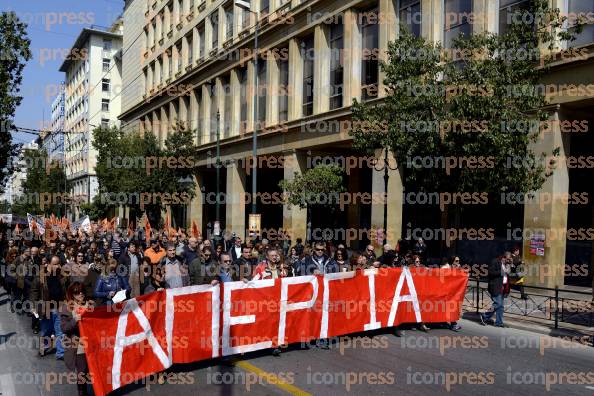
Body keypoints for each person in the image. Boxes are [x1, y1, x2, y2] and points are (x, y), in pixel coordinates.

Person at [30, 255, 66, 360]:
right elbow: (34, 291)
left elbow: (65, 290)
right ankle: (43, 348)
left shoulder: (61, 276)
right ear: (48, 264)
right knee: (46, 331)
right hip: (46, 308)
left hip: (59, 308)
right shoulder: (41, 276)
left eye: (59, 263)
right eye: (55, 264)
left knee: (60, 331)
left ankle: (61, 353)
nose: (58, 266)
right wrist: (33, 305)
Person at [60, 282, 93, 396]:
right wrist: (75, 320)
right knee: (82, 372)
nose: (80, 294)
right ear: (72, 294)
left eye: (82, 291)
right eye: (77, 292)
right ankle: (82, 392)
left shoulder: (91, 305)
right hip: (79, 346)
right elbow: (64, 328)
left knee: (93, 371)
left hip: (93, 344)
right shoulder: (67, 307)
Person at [481, 252, 511, 328]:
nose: (508, 260)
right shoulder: (495, 261)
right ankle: (485, 316)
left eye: (509, 259)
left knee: (500, 306)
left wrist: (509, 267)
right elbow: (490, 272)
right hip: (495, 286)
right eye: (507, 259)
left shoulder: (506, 264)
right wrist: (502, 272)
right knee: (498, 304)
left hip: (503, 287)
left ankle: (499, 322)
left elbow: (508, 274)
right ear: (503, 257)